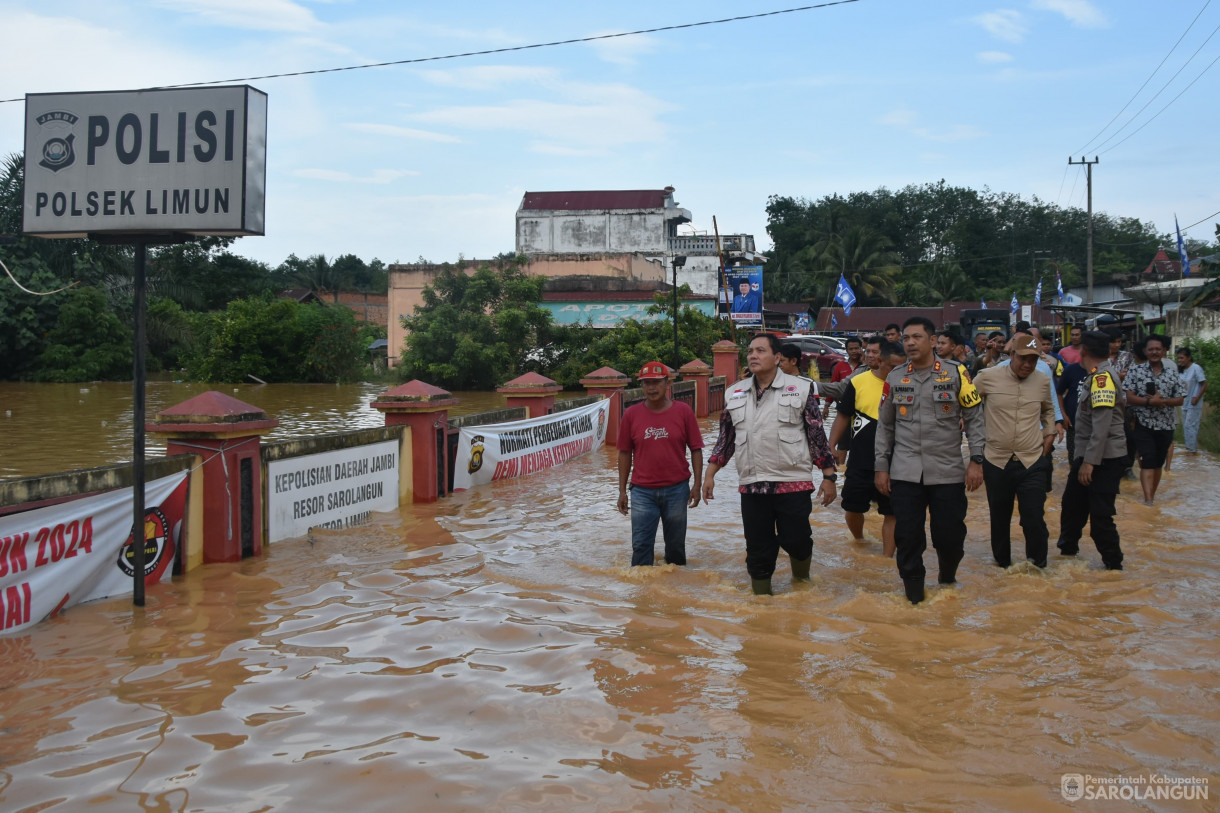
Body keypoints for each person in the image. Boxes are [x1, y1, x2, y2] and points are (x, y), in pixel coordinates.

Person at [703, 333, 837, 595]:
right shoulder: (734, 393)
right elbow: (725, 440)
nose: (753, 355)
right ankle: (762, 603)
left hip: (793, 483)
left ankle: (802, 584)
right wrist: (710, 474)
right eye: (751, 351)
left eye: (760, 350)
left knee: (797, 540)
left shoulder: (800, 388)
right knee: (758, 548)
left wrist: (829, 477)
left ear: (777, 358)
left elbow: (816, 435)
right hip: (752, 486)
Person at [875, 316, 985, 604]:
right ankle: (915, 597)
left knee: (949, 536)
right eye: (906, 338)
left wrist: (976, 460)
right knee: (908, 537)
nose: (909, 343)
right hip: (905, 472)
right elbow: (885, 426)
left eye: (917, 337)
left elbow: (974, 418)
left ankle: (947, 578)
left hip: (947, 471)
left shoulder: (957, 373)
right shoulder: (896, 377)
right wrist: (881, 467)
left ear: (933, 341)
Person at [972, 335, 1056, 568]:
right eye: (1023, 359)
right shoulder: (987, 377)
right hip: (996, 459)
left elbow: (1048, 411)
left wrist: (1048, 439)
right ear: (1011, 355)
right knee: (999, 518)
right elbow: (967, 404)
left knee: (1033, 518)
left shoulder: (1042, 380)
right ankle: (1003, 566)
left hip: (1032, 459)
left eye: (1033, 360)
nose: (1028, 365)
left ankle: (1038, 566)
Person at [617, 361, 704, 566]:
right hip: (642, 491)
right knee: (640, 546)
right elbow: (624, 453)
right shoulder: (631, 415)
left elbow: (696, 449)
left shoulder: (683, 412)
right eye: (646, 383)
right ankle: (641, 593)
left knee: (675, 549)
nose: (651, 388)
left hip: (677, 490)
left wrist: (697, 485)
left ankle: (676, 592)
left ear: (667, 383)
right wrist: (621, 490)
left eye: (656, 382)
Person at [1056, 330, 1127, 570]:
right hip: (1087, 456)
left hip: (1102, 459)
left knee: (1100, 518)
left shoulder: (1102, 379)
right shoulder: (1095, 375)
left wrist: (1090, 463)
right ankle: (1067, 556)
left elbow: (1102, 426)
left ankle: (1114, 567)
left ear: (1082, 351)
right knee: (1071, 507)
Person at [829, 339, 904, 556]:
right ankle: (860, 540)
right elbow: (843, 416)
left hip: (895, 460)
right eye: (892, 366)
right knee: (852, 507)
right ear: (881, 361)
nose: (896, 372)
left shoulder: (907, 384)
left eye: (901, 367)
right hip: (861, 459)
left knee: (892, 512)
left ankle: (887, 558)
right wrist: (831, 444)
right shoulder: (858, 382)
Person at [1124, 335, 1186, 504]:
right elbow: (1128, 397)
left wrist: (1163, 401)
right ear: (1145, 351)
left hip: (1166, 425)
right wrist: (1150, 401)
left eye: (1158, 349)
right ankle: (1148, 499)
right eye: (1151, 349)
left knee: (1158, 462)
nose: (1154, 352)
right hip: (1142, 423)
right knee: (1147, 459)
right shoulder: (1135, 371)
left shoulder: (1173, 373)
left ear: (1164, 350)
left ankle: (1152, 493)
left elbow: (1180, 399)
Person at [1176, 346, 1208, 454]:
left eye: (1182, 358)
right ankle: (1189, 449)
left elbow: (1204, 384)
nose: (1180, 360)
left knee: (1190, 426)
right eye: (1178, 358)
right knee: (1186, 427)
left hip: (1194, 403)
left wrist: (1197, 397)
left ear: (1188, 357)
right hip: (1184, 402)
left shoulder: (1196, 368)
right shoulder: (1181, 370)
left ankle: (1192, 451)